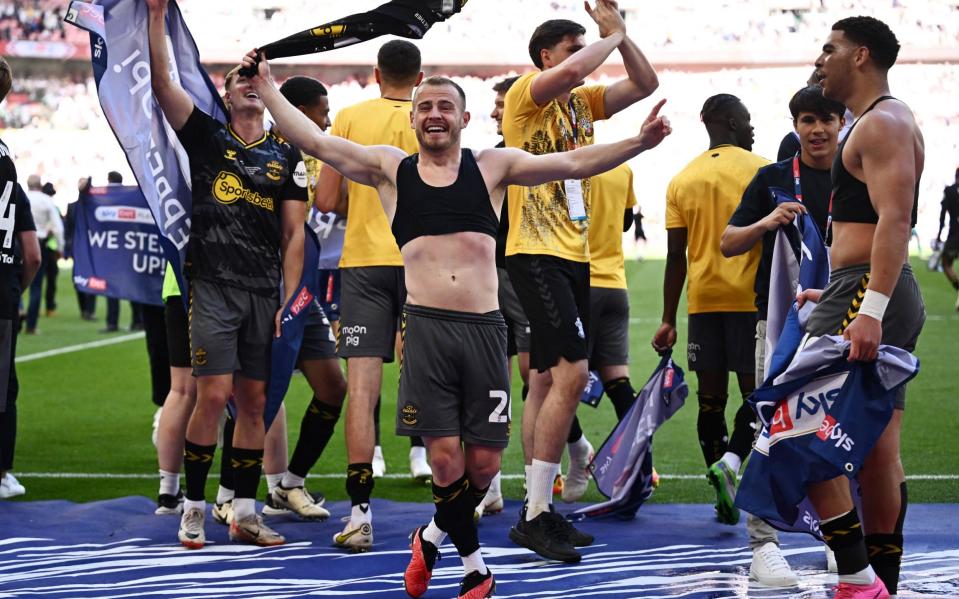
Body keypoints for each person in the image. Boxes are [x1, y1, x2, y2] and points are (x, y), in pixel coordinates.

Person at [243, 45, 669, 597]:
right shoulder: (389, 171)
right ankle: (474, 567)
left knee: (486, 464)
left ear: (465, 118)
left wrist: (640, 140)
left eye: (446, 107)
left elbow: (571, 163)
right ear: (413, 117)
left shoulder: (492, 166)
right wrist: (269, 86)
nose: (435, 115)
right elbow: (316, 141)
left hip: (485, 331)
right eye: (425, 107)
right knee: (444, 460)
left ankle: (434, 533)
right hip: (425, 331)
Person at [502, 1, 659, 561]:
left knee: (545, 381)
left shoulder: (581, 104)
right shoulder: (529, 92)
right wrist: (610, 37)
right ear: (546, 55)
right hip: (535, 250)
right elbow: (570, 73)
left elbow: (645, 82)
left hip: (573, 252)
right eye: (574, 47)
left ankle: (539, 507)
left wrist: (622, 34)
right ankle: (538, 513)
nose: (582, 59)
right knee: (573, 372)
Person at [148, 0, 307, 549]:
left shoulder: (287, 155)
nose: (247, 83)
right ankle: (193, 507)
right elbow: (163, 84)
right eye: (238, 77)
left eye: (255, 77)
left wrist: (289, 299)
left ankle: (243, 511)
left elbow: (293, 236)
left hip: (264, 293)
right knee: (211, 396)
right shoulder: (207, 138)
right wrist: (152, 17)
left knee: (256, 403)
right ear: (225, 89)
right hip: (213, 287)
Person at [799, 16, 925, 598]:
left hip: (867, 293)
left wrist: (866, 306)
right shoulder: (876, 122)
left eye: (830, 49)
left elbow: (895, 221)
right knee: (877, 453)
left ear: (861, 56)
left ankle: (855, 578)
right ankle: (880, 587)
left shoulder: (882, 123)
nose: (820, 59)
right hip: (861, 290)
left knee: (792, 426)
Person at [721, 84, 845, 586]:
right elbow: (729, 242)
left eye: (826, 120)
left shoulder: (855, 173)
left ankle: (841, 534)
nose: (816, 130)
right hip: (775, 322)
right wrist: (767, 221)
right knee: (769, 424)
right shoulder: (771, 178)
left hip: (841, 318)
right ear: (795, 124)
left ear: (842, 123)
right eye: (807, 120)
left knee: (835, 427)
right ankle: (762, 544)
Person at [311, 39, 429, 552]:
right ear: (419, 77)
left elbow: (327, 198)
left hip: (363, 263)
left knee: (361, 387)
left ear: (377, 75)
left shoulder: (352, 118)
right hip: (423, 260)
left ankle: (359, 515)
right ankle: (463, 503)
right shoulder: (432, 114)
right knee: (438, 377)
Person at [651, 94, 765, 535]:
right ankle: (733, 467)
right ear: (732, 121)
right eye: (748, 118)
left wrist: (667, 317)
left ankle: (721, 477)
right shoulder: (762, 169)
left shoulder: (682, 179)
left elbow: (675, 255)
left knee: (711, 399)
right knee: (758, 398)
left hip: (703, 302)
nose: (751, 126)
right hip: (750, 301)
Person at [0, 56, 42, 499]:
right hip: (3, 291)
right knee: (2, 387)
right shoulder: (10, 170)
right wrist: (14, 293)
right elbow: (31, 255)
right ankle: (2, 474)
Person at [23, 174, 63, 334]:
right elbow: (58, 227)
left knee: (12, 279)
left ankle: (17, 311)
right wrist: (60, 247)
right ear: (39, 185)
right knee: (36, 285)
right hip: (38, 242)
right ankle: (31, 325)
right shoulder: (46, 201)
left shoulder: (22, 197)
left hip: (18, 242)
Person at [937, 167, 959, 307]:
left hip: (954, 234)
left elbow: (943, 214)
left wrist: (939, 234)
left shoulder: (949, 191)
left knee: (946, 263)